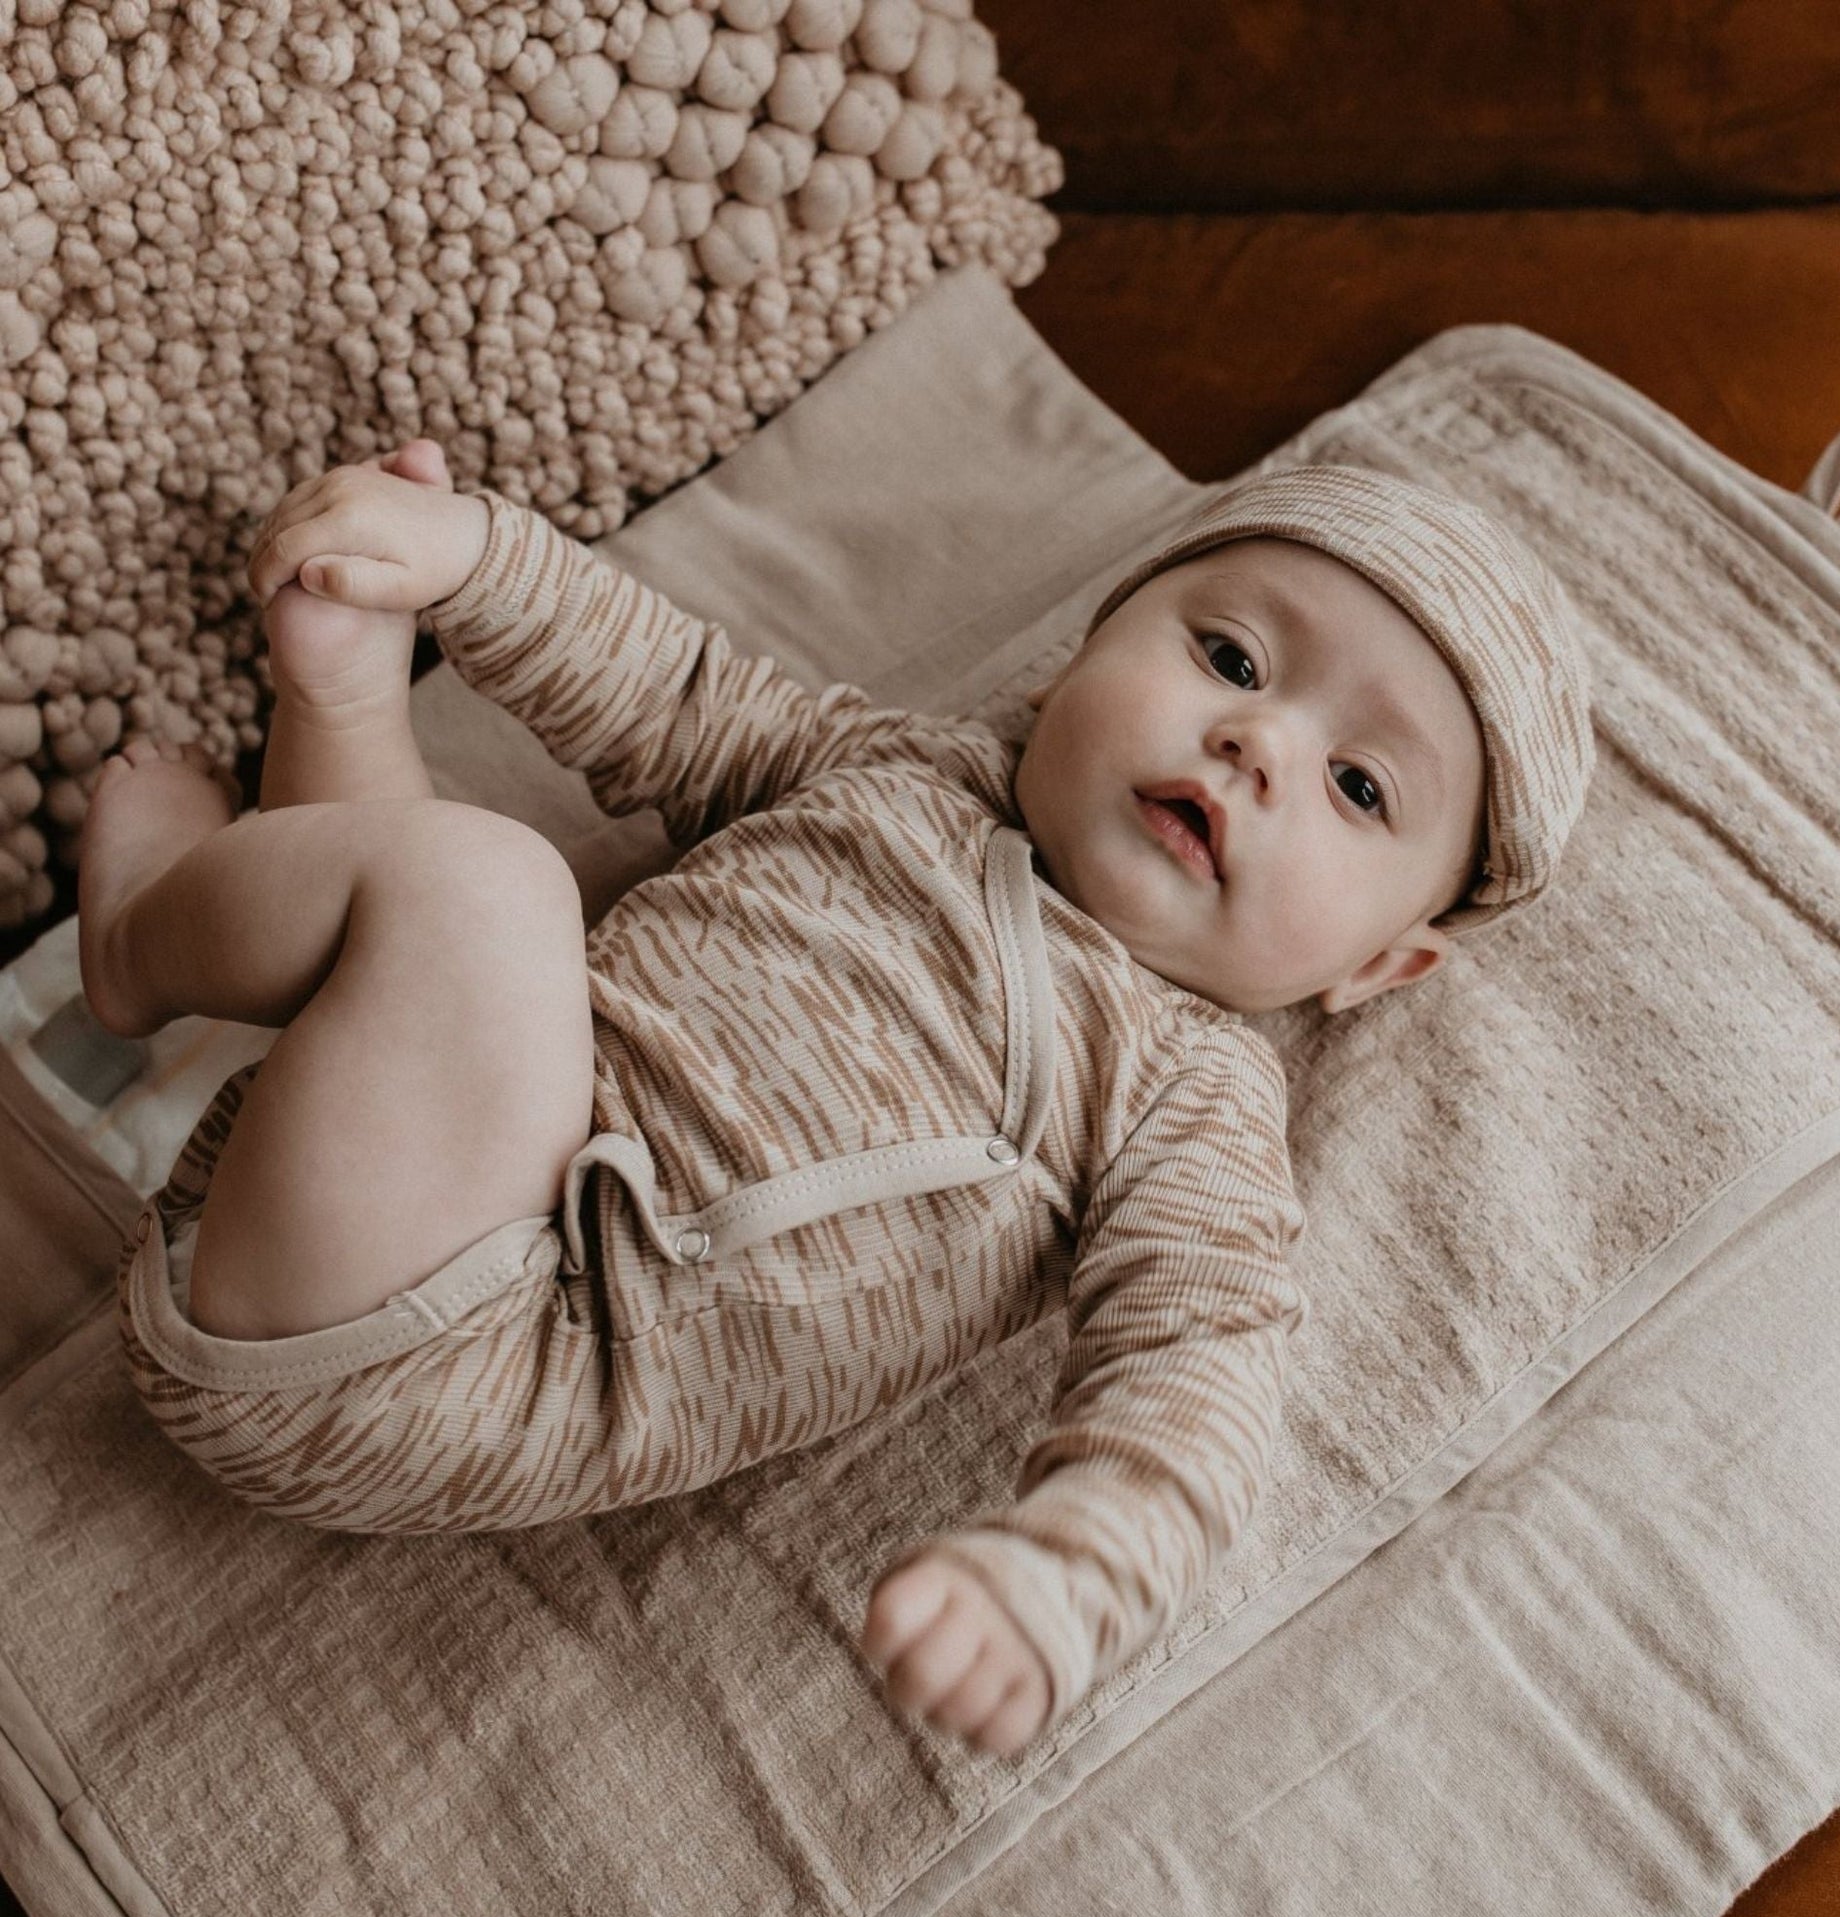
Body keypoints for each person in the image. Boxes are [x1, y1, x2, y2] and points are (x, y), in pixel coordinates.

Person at [81, 441, 1593, 1757]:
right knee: (468, 921)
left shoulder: (1178, 1089)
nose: (1258, 743)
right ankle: (339, 699)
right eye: (1231, 659)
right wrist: (479, 562)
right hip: (409, 1150)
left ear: (1381, 968)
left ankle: (144, 936)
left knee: (481, 893)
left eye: (1359, 789)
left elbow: (1202, 1350)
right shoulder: (903, 769)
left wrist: (1076, 1563)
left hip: (483, 1342)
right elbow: (670, 695)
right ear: (1086, 645)